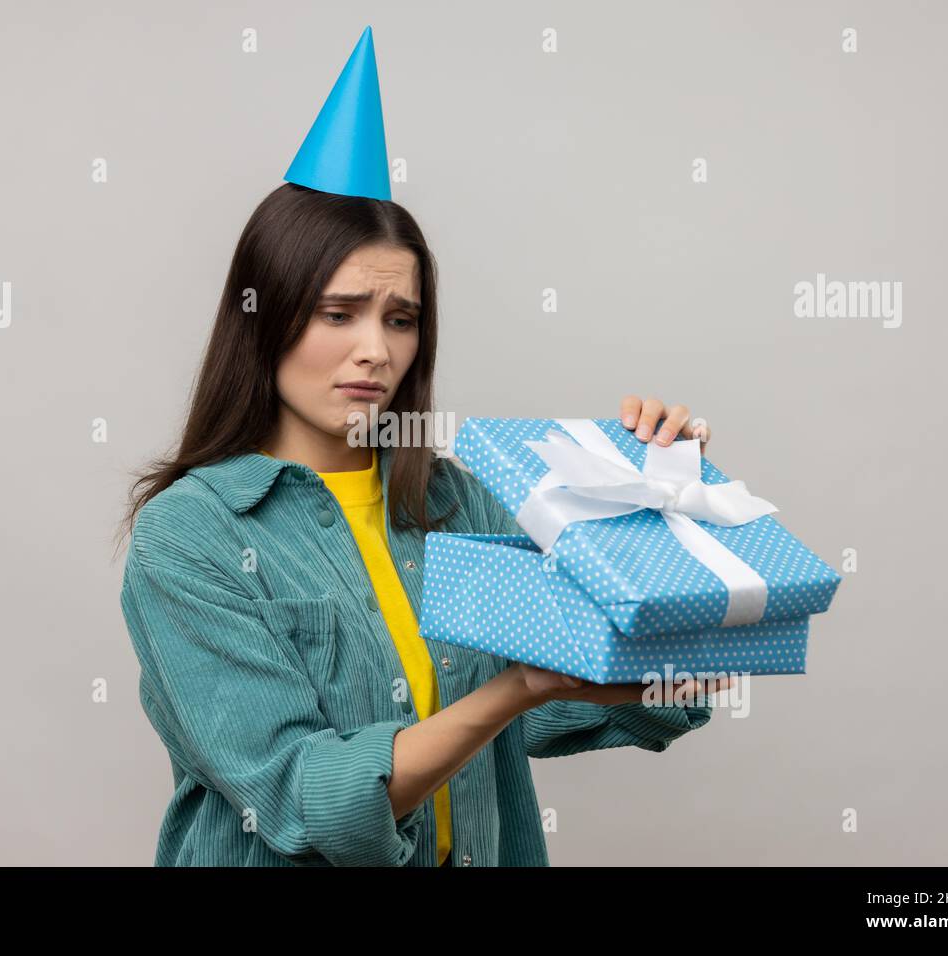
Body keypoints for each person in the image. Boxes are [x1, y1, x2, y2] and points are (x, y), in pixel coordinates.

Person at [116, 27, 730, 868]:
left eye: (400, 319)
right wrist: (510, 693)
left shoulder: (452, 506)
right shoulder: (192, 537)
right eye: (340, 314)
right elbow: (303, 799)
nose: (378, 350)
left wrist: (664, 510)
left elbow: (589, 700)